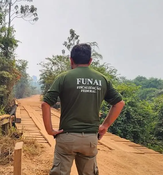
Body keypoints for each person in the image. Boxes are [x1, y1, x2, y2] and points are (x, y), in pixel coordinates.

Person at [42, 43, 125, 175]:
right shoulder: (102, 79)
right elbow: (119, 103)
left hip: (67, 137)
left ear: (71, 60)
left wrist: (49, 130)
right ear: (90, 61)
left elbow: (45, 104)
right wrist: (104, 126)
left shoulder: (63, 77)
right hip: (90, 139)